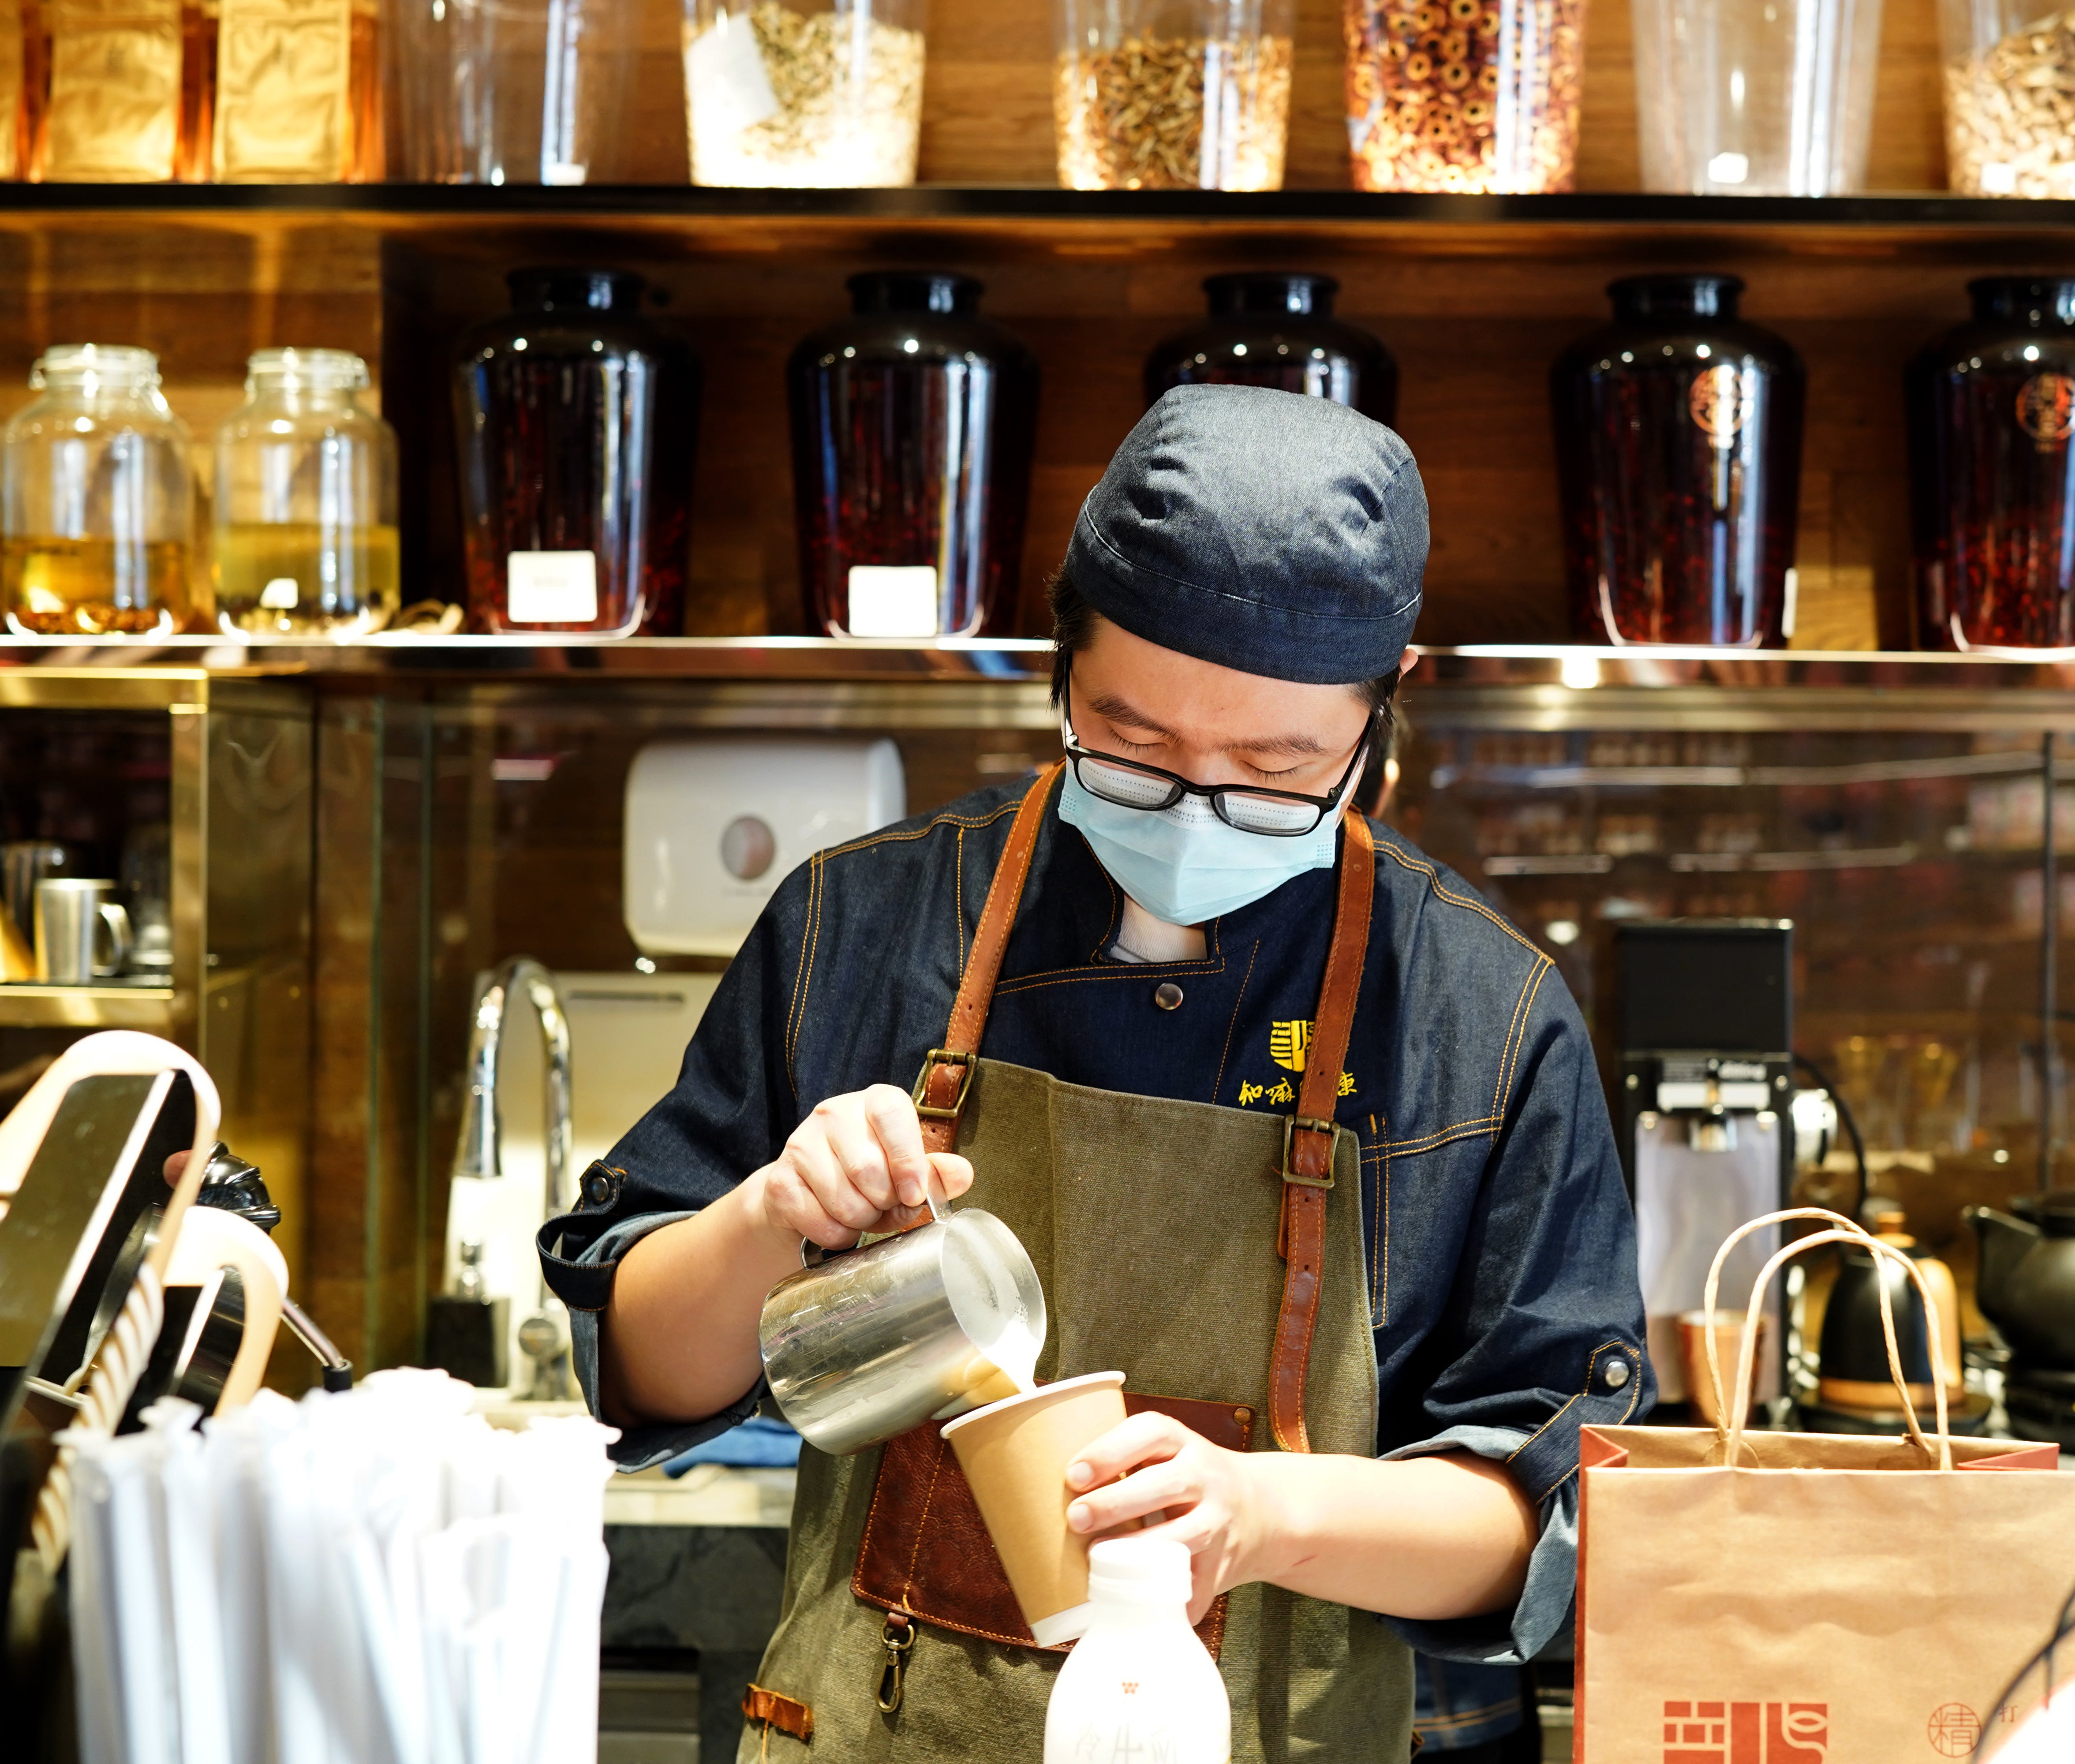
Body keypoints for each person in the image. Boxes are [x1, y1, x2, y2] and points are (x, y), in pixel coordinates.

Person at [538, 384, 1645, 1760]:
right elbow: (640, 1371)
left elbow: (1546, 1514)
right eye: (1132, 745)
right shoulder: (866, 925)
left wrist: (1262, 1515)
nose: (1194, 809)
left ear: (1386, 706)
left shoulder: (1481, 1015)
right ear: (1060, 666)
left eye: (1274, 768)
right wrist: (769, 1222)